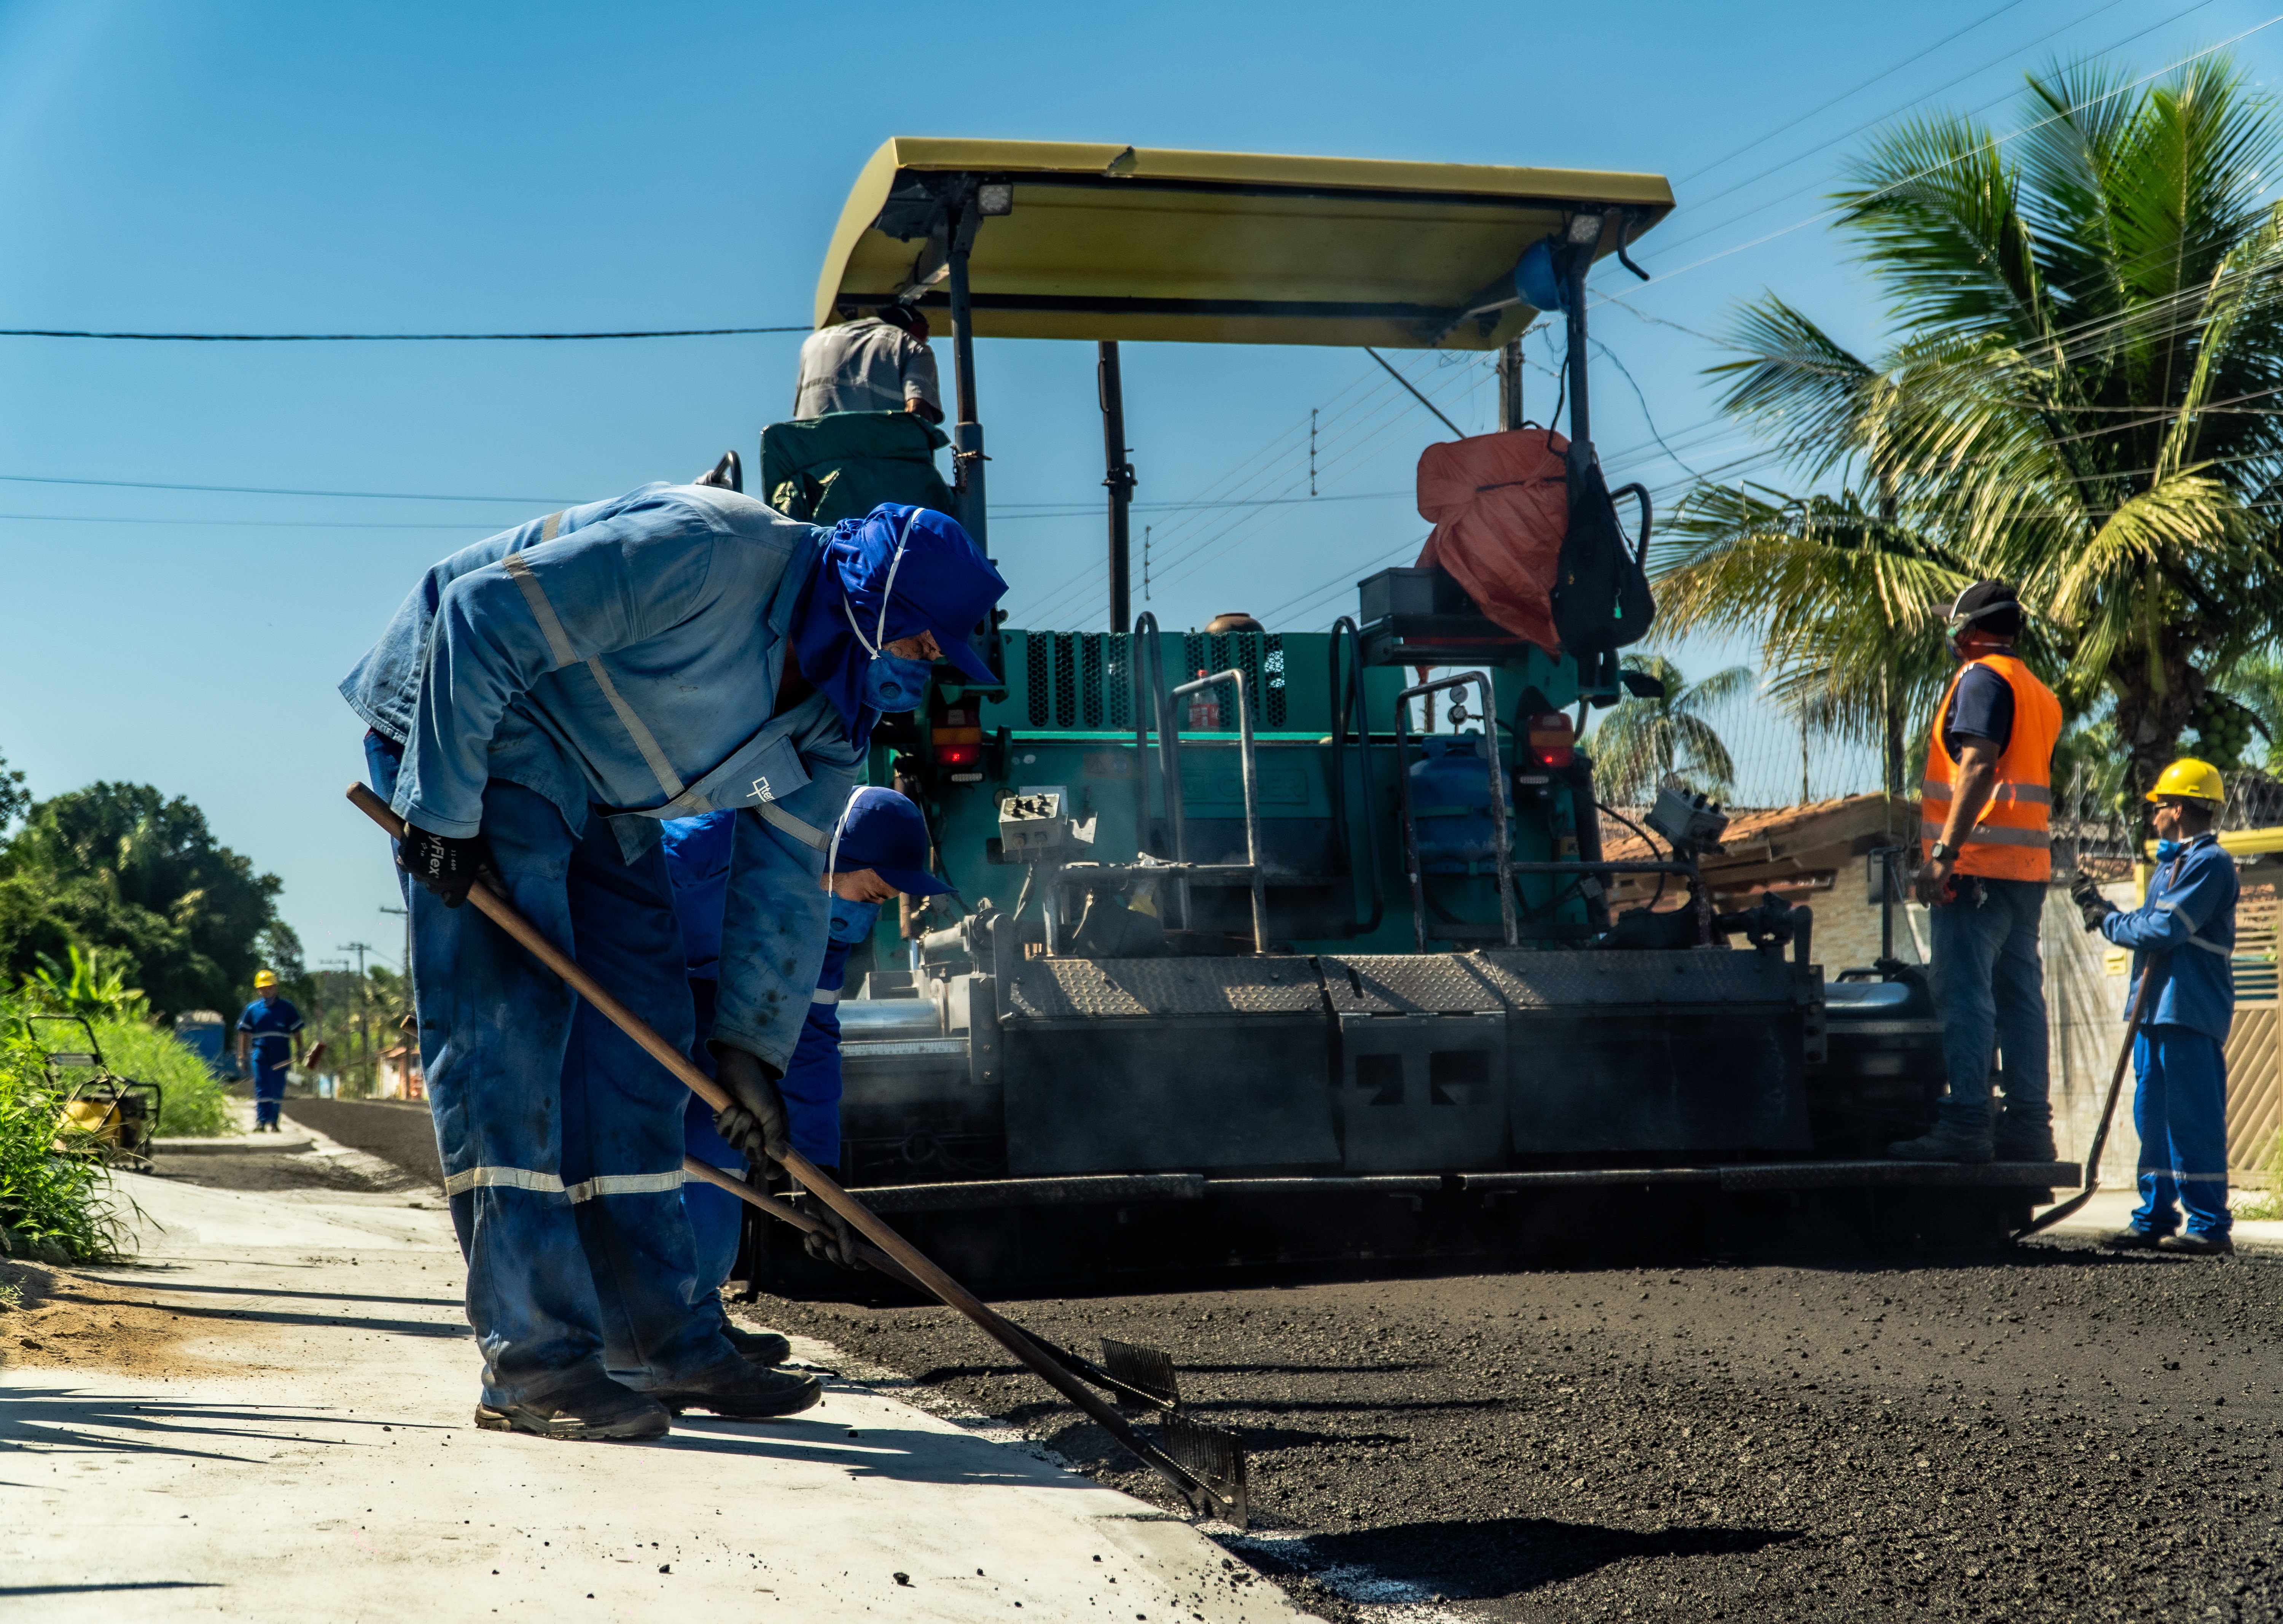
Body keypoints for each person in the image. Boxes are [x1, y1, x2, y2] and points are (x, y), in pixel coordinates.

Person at [342, 477, 1005, 1442]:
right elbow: (482, 616)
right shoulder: (709, 549)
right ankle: (535, 1364)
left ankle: (658, 1336)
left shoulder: (832, 721)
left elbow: (782, 887)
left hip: (605, 789)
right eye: (921, 644)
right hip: (482, 723)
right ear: (876, 601)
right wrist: (441, 815)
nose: (926, 671)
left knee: (649, 1040)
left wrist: (748, 1050)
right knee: (511, 1040)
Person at [664, 787, 954, 1280]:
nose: (873, 913)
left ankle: (696, 1319)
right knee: (628, 1154)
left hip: (714, 1019)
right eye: (876, 894)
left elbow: (813, 1034)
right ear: (839, 851)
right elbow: (609, 915)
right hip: (630, 988)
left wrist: (821, 1179)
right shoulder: (710, 845)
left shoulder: (826, 929)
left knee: (719, 1144)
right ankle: (636, 1332)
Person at [1891, 581, 2062, 1164]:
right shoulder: (2039, 691)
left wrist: (1943, 854)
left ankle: (1966, 1121)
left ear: (1968, 633)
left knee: (1963, 991)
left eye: (1953, 627)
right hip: (2025, 870)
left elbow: (1979, 764)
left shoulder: (1980, 679)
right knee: (2020, 998)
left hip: (1978, 867)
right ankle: (2029, 1129)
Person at [2073, 759, 2240, 1255]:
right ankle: (2155, 1214)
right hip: (2153, 1010)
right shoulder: (2170, 866)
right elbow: (2148, 923)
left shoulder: (2211, 864)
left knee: (2193, 1116)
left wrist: (2104, 919)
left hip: (2188, 1007)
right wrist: (2109, 915)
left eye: (2161, 804)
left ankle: (2209, 1224)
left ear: (2183, 807)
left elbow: (2164, 930)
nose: (2154, 814)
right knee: (2153, 1116)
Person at [794, 305, 943, 423]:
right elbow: (919, 414)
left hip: (809, 454)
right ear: (916, 329)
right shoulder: (912, 346)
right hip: (870, 455)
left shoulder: (814, 342)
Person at [235, 970, 303, 1133]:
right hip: (261, 1055)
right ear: (258, 990)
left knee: (277, 1089)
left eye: (270, 987)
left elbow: (296, 1031)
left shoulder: (287, 1008)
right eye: (263, 988)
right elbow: (244, 1034)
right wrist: (242, 1056)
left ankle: (274, 1121)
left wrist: (301, 1050)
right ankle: (261, 1121)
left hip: (281, 1056)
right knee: (262, 1087)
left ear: (276, 988)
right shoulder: (252, 1009)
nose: (267, 991)